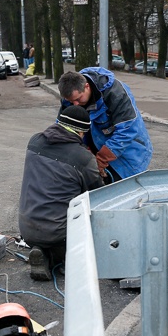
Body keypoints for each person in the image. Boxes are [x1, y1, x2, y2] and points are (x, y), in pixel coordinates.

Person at [18, 106, 104, 280]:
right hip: (60, 234)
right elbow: (97, 194)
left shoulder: (34, 141)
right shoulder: (83, 158)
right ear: (81, 133)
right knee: (89, 210)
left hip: (27, 229)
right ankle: (68, 261)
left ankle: (42, 253)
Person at [58, 67, 153, 183]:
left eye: (78, 99)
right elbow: (63, 128)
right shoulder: (71, 97)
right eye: (72, 101)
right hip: (93, 151)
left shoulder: (116, 94)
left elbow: (127, 131)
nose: (75, 105)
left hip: (127, 154)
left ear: (87, 86)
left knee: (120, 192)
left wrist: (101, 159)